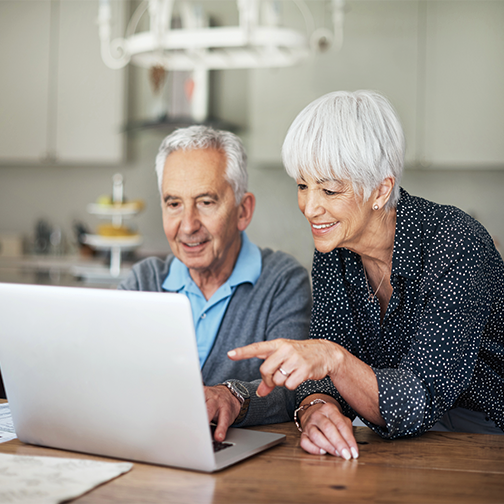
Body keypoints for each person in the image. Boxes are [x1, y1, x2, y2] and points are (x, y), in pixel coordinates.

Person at [228, 90, 504, 461]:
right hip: (401, 441)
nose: (310, 207)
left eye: (329, 189)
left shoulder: (455, 243)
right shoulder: (335, 249)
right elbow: (325, 375)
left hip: (486, 436)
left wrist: (334, 359)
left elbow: (416, 401)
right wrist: (317, 408)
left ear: (381, 190)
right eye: (302, 185)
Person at [119, 125, 311, 441]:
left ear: (243, 211)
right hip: (144, 449)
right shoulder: (143, 281)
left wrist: (231, 395)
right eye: (173, 203)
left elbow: (291, 389)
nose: (188, 225)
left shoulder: (282, 281)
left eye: (206, 202)